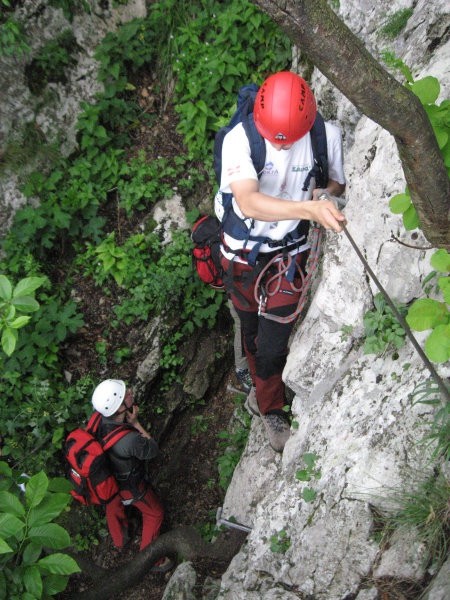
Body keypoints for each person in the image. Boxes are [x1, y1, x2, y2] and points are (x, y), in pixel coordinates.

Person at [218, 71, 346, 452]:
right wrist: (308, 207)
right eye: (277, 140)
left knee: (271, 344)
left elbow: (336, 182)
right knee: (249, 323)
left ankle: (269, 405)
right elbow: (248, 200)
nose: (283, 148)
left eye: (289, 141)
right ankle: (249, 366)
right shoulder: (239, 140)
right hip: (241, 255)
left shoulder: (326, 137)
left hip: (290, 254)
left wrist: (326, 194)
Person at [92, 379, 172, 571]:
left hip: (108, 484)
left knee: (115, 507)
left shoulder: (98, 420)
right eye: (125, 394)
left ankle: (121, 538)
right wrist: (136, 424)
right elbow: (152, 449)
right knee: (155, 513)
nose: (130, 392)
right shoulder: (128, 441)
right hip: (130, 488)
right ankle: (151, 559)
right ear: (120, 408)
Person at [228, 299, 252, 393]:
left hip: (242, 293)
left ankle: (244, 369)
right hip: (239, 294)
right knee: (242, 326)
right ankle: (242, 370)